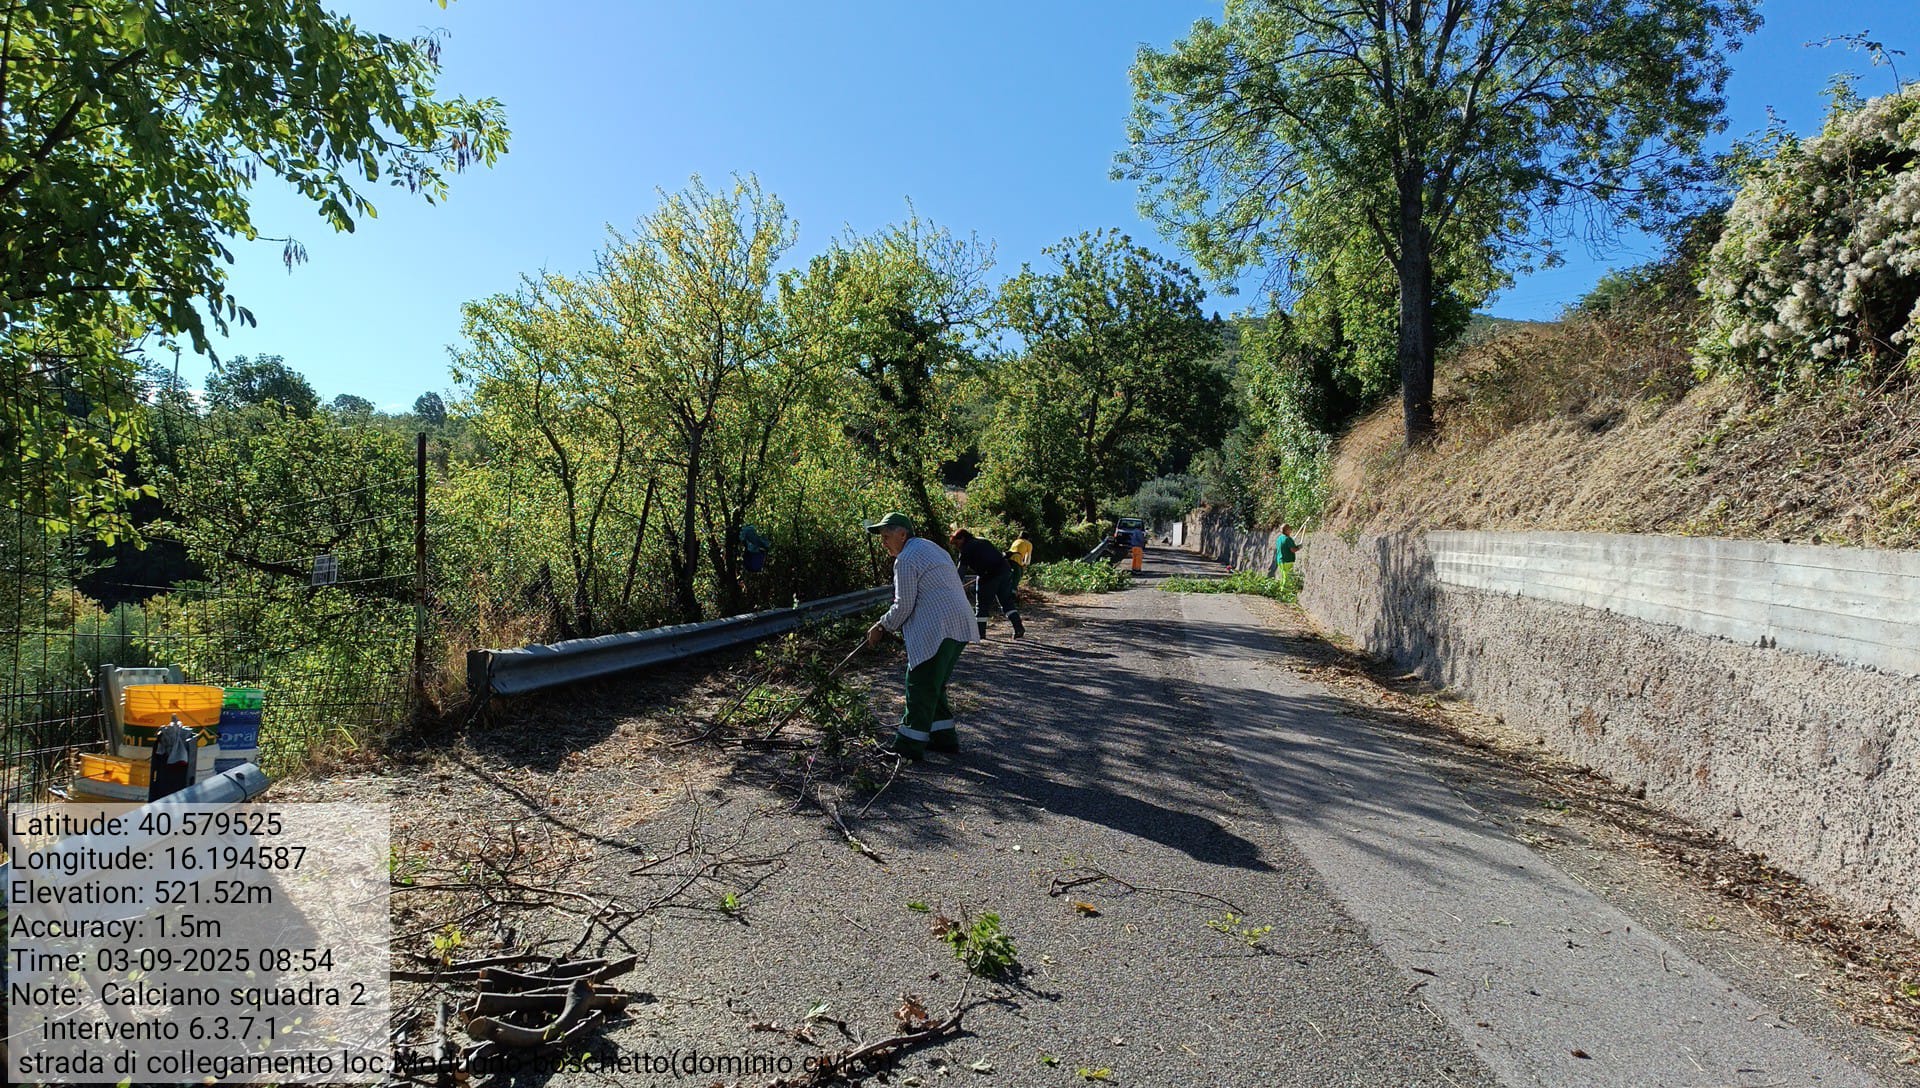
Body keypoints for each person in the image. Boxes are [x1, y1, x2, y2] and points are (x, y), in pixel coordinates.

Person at [865, 512, 979, 759]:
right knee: (933, 685)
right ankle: (944, 738)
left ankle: (907, 747)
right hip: (959, 625)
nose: (883, 543)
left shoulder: (906, 558)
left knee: (919, 685)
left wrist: (881, 626)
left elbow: (903, 604)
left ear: (902, 534)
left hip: (938, 628)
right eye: (882, 538)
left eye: (886, 537)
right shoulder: (931, 548)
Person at [951, 528, 1025, 639]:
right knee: (1006, 602)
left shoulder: (966, 549)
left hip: (989, 576)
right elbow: (998, 555)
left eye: (957, 543)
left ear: (963, 538)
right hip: (1005, 571)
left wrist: (954, 586)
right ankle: (1018, 628)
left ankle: (980, 633)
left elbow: (961, 570)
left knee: (981, 605)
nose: (957, 546)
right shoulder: (984, 541)